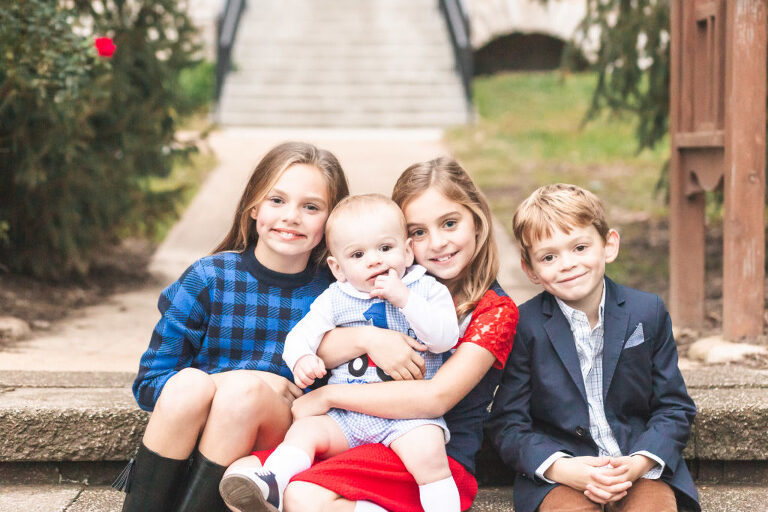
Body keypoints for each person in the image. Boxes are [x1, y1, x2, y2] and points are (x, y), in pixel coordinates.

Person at [222, 157, 519, 512]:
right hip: (357, 431)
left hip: (428, 450)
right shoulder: (366, 285)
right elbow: (323, 347)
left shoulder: (493, 310)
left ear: (478, 223)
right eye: (418, 231)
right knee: (243, 470)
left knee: (303, 496)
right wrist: (369, 339)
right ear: (404, 240)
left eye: (450, 223)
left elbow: (435, 398)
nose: (438, 243)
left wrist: (330, 396)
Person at [115, 141, 350, 512]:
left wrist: (257, 390)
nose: (291, 216)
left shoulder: (339, 295)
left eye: (311, 207)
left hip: (281, 439)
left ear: (332, 220)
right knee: (192, 383)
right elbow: (149, 387)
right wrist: (241, 379)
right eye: (277, 200)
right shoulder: (208, 278)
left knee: (242, 393)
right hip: (197, 427)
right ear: (254, 206)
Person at [486, 183, 700, 512]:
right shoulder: (524, 326)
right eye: (549, 256)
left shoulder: (647, 312)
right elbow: (508, 423)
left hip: (639, 466)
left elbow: (674, 407)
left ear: (608, 245)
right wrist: (562, 469)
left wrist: (640, 462)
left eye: (580, 247)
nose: (568, 264)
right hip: (563, 473)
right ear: (530, 269)